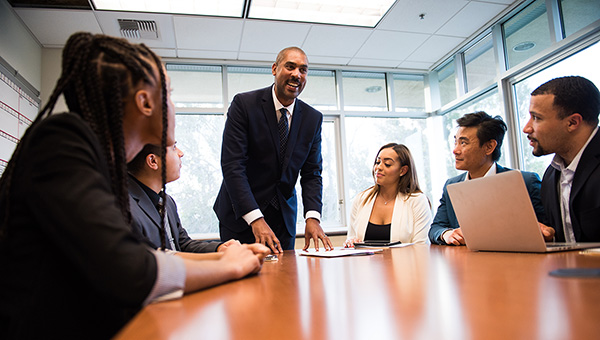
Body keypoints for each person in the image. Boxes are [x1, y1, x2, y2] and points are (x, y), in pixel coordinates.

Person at [0, 32, 268, 339]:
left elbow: (147, 254)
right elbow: (129, 269)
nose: (174, 105)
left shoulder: (105, 167)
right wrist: (229, 267)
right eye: (169, 93)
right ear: (145, 102)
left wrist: (225, 256)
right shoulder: (64, 140)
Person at [213, 46, 333, 253]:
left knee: (285, 281)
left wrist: (313, 216)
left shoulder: (313, 118)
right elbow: (233, 166)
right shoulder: (244, 104)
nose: (297, 74)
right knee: (243, 282)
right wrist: (255, 218)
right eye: (290, 67)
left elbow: (312, 173)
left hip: (283, 221)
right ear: (274, 69)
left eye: (303, 70)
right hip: (242, 219)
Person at [429, 111, 545, 245]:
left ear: (489, 147)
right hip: (465, 262)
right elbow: (436, 228)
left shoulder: (526, 182)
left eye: (464, 143)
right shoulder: (451, 186)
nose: (455, 150)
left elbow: (547, 232)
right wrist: (447, 234)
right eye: (456, 142)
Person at [523, 76, 600, 242]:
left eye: (536, 118)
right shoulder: (551, 175)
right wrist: (546, 234)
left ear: (572, 122)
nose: (526, 128)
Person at [128, 143, 238, 253]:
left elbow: (182, 244)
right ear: (153, 161)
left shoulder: (167, 201)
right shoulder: (125, 209)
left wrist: (219, 248)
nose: (181, 153)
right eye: (174, 147)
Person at [344, 143, 432, 247]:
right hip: (365, 263)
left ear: (403, 170)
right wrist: (350, 242)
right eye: (377, 162)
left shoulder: (418, 201)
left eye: (387, 164)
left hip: (405, 263)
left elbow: (421, 247)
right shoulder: (361, 199)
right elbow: (351, 238)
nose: (378, 167)